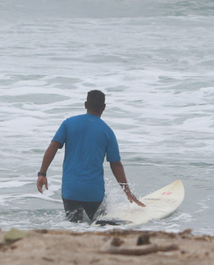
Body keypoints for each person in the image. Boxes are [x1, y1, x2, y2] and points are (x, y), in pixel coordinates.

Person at [36, 90, 145, 223]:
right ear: (104, 107)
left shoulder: (68, 123)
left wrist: (42, 173)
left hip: (71, 190)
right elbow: (116, 164)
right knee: (99, 224)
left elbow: (53, 147)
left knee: (74, 225)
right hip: (94, 193)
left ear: (85, 104)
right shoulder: (107, 132)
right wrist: (128, 192)